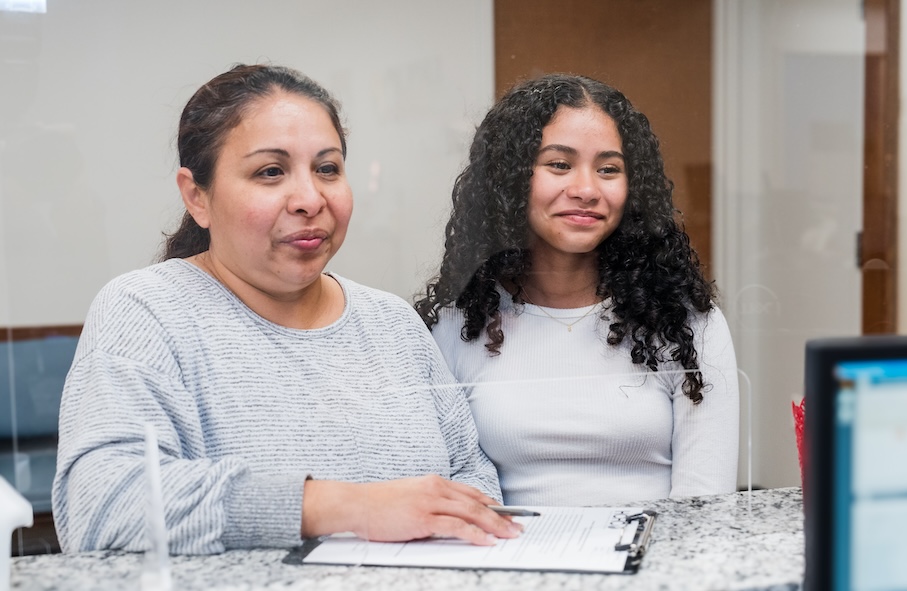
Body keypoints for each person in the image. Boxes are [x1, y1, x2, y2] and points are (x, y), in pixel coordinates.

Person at [52, 64, 521, 555]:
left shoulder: (392, 322)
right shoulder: (146, 310)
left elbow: (472, 476)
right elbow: (103, 505)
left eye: (327, 168)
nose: (310, 198)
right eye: (270, 171)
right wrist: (346, 507)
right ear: (197, 196)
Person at [415, 74, 739, 506]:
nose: (586, 190)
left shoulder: (686, 324)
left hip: (656, 562)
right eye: (559, 165)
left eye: (608, 169)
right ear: (510, 182)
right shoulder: (459, 327)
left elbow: (705, 506)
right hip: (507, 561)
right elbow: (446, 492)